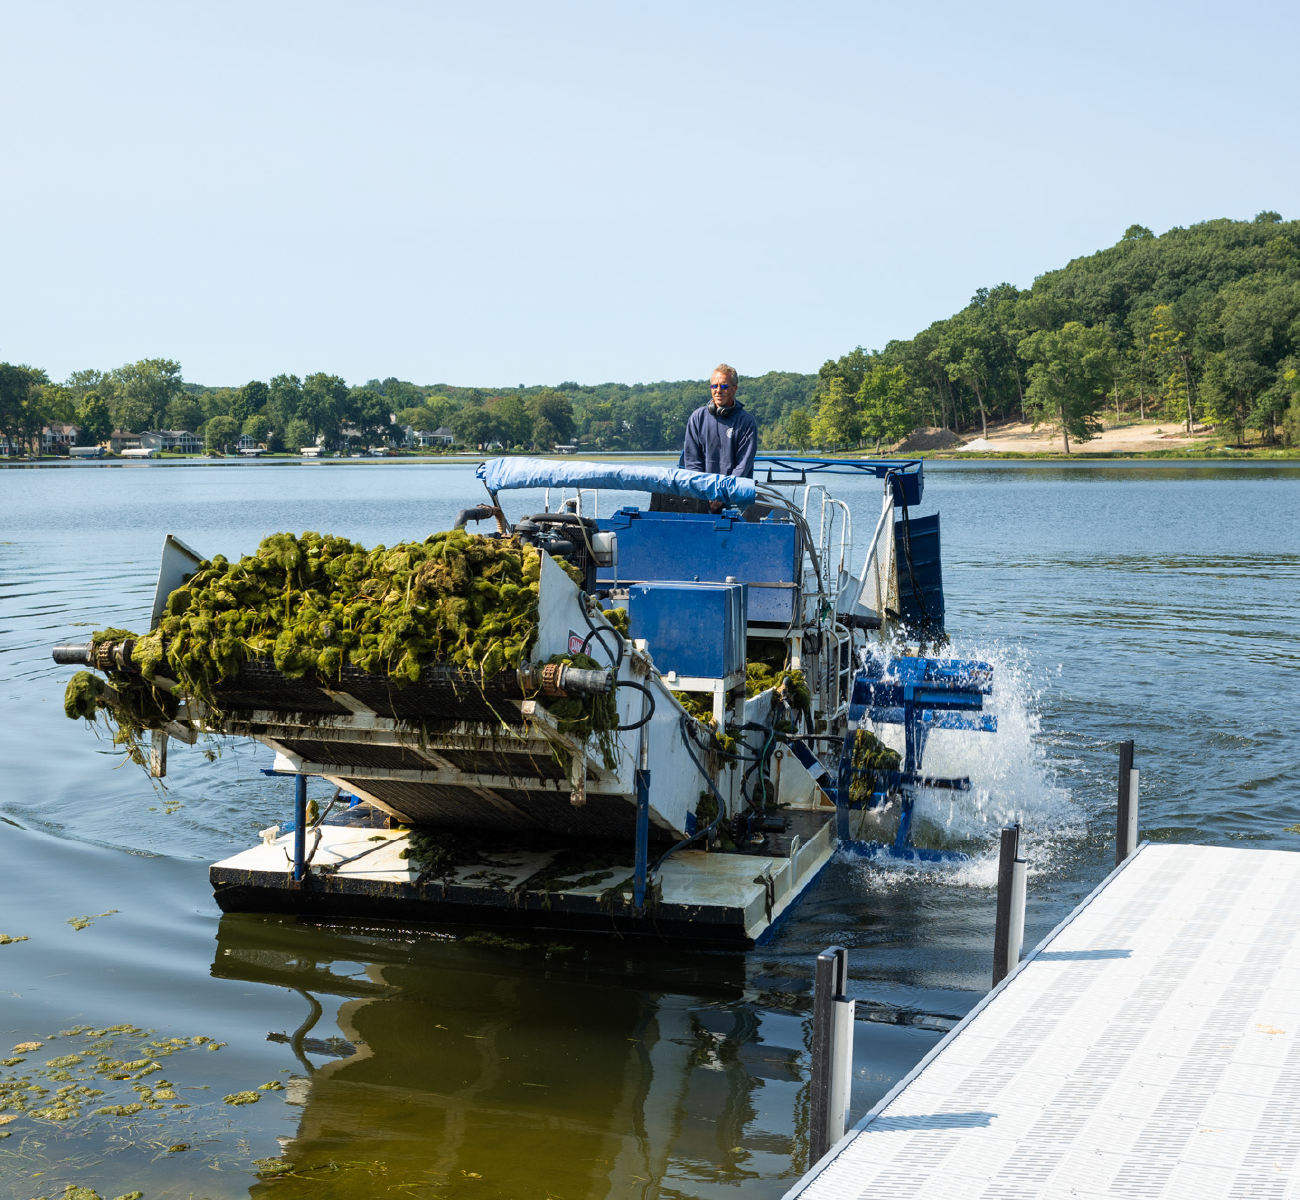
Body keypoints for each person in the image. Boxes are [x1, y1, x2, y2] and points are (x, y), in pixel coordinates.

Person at [680, 364, 758, 513]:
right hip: (702, 499)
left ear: (734, 388)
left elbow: (743, 465)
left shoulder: (747, 422)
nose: (718, 390)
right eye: (714, 385)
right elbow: (692, 462)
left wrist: (722, 493)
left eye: (724, 386)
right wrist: (704, 493)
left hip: (735, 502)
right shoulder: (697, 418)